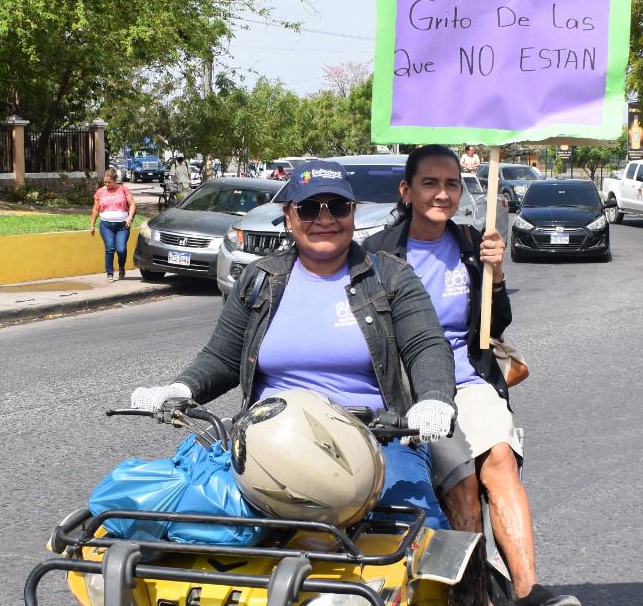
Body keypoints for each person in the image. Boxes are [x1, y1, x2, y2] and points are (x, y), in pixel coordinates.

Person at [128, 159, 458, 534]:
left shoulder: (391, 276)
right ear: (289, 216)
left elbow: (426, 344)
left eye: (337, 206)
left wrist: (433, 399)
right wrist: (180, 388)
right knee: (189, 526)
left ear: (352, 213)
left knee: (418, 535)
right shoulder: (260, 279)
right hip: (269, 444)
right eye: (309, 208)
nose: (325, 218)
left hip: (373, 442)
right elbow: (222, 357)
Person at [366, 145, 581, 606]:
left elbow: (494, 324)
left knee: (499, 458)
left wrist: (496, 274)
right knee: (460, 481)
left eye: (452, 184)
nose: (442, 193)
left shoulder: (470, 244)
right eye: (430, 183)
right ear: (406, 191)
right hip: (410, 391)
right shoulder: (376, 254)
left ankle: (527, 596)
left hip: (467, 380)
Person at [90, 167, 134, 281]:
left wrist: (129, 218)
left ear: (115, 180)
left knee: (121, 250)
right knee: (110, 248)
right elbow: (95, 209)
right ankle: (109, 274)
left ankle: (121, 267)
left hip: (122, 226)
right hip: (106, 226)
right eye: (105, 181)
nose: (107, 184)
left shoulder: (123, 189)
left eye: (109, 182)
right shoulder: (100, 192)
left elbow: (132, 204)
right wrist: (92, 225)